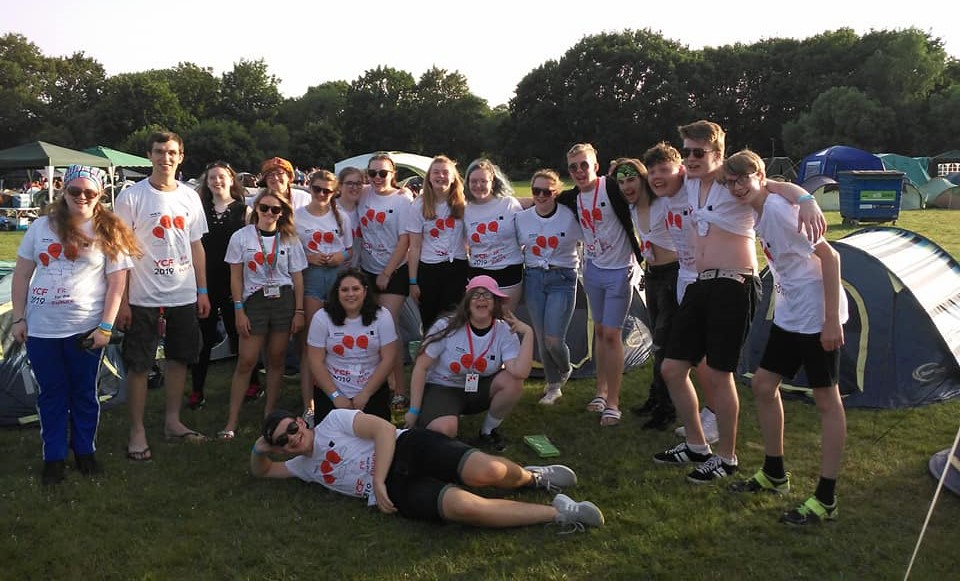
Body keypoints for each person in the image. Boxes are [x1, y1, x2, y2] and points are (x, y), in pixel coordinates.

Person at [653, 120, 826, 483]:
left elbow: (775, 185)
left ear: (718, 154)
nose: (689, 158)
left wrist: (807, 199)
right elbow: (653, 179)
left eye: (698, 152)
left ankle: (727, 456)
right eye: (686, 151)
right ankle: (698, 446)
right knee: (672, 368)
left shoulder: (731, 183)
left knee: (719, 373)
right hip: (700, 284)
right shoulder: (690, 183)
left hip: (733, 285)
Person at [722, 150, 847, 525]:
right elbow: (772, 185)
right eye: (731, 182)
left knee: (827, 400)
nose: (737, 187)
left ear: (758, 175)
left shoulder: (777, 211)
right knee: (763, 385)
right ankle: (775, 473)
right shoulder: (764, 204)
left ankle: (826, 497)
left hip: (817, 313)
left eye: (743, 178)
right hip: (791, 313)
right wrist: (802, 194)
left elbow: (831, 258)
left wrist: (831, 321)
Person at [251, 408, 604, 531]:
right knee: (465, 509)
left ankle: (532, 477)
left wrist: (376, 479)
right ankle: (558, 514)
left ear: (301, 422)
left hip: (407, 447)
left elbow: (384, 431)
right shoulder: (301, 466)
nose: (291, 440)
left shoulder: (333, 422)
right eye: (282, 441)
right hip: (394, 491)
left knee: (486, 472)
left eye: (291, 430)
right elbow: (263, 472)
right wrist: (259, 448)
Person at [11, 165, 139, 484]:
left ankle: (84, 451)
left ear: (100, 195)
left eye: (90, 192)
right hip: (42, 328)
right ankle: (53, 456)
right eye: (75, 191)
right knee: (51, 393)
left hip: (85, 329)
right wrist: (18, 317)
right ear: (63, 192)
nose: (82, 197)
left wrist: (105, 327)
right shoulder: (41, 227)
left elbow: (116, 283)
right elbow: (22, 274)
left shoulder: (107, 231)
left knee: (83, 393)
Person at [115, 131, 211, 461]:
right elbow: (120, 252)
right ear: (149, 155)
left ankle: (172, 421)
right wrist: (123, 300)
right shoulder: (131, 196)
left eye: (171, 152)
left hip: (183, 293)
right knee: (139, 363)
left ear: (181, 156)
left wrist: (202, 290)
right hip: (142, 295)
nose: (165, 158)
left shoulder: (190, 196)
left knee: (179, 358)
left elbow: (196, 246)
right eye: (159, 152)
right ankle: (137, 430)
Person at [556, 144, 644, 426]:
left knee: (611, 333)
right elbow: (543, 203)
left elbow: (644, 184)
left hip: (620, 270)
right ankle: (601, 391)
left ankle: (614, 402)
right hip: (592, 270)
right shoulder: (572, 198)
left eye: (584, 164)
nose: (580, 171)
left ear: (596, 165)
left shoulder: (612, 187)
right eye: (573, 167)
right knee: (600, 331)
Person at [404, 275, 534, 452]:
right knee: (445, 430)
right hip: (444, 387)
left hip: (478, 388)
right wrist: (413, 411)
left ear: (496, 302)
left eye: (488, 295)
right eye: (476, 295)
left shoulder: (504, 330)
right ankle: (436, 416)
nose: (482, 299)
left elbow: (520, 373)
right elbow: (421, 366)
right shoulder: (446, 326)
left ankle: (488, 431)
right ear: (467, 302)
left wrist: (528, 333)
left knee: (513, 382)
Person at [217, 190, 307, 439]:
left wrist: (299, 311)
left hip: (283, 300)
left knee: (277, 359)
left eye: (275, 209)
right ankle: (231, 421)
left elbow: (298, 278)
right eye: (264, 208)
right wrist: (238, 310)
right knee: (246, 360)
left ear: (282, 213)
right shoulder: (241, 237)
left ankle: (270, 414)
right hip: (254, 301)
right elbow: (235, 277)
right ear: (256, 209)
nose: (269, 213)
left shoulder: (289, 238)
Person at [613, 157, 680, 430]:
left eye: (631, 179)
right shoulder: (630, 208)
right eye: (621, 181)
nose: (627, 185)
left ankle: (667, 408)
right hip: (652, 277)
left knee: (664, 342)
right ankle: (656, 397)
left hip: (673, 275)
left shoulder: (663, 202)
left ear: (642, 179)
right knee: (657, 339)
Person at [515, 169, 582, 405]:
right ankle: (553, 385)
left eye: (547, 191)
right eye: (536, 191)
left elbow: (593, 237)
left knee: (554, 339)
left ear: (556, 193)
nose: (541, 195)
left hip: (563, 278)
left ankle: (565, 368)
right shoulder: (521, 218)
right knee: (542, 337)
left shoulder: (570, 216)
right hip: (533, 278)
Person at [189, 161, 250, 410]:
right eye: (212, 177)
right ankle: (197, 390)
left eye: (222, 177)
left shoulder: (243, 211)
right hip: (205, 279)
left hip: (234, 279)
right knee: (203, 337)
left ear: (231, 180)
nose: (217, 181)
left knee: (240, 333)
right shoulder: (199, 209)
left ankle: (253, 382)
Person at [294, 170, 353, 426]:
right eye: (317, 189)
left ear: (334, 192)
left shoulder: (343, 217)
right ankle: (309, 404)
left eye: (326, 191)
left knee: (338, 336)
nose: (321, 195)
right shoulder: (298, 217)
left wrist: (340, 257)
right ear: (309, 187)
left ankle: (338, 392)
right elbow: (291, 250)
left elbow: (349, 250)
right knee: (312, 343)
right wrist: (308, 258)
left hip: (337, 277)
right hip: (312, 278)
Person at [357, 153, 414, 407]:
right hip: (367, 269)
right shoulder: (364, 193)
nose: (378, 178)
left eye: (383, 173)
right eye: (373, 173)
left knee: (388, 328)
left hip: (395, 270)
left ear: (394, 175)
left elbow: (405, 241)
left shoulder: (402, 200)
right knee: (373, 329)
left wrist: (387, 273)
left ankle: (400, 390)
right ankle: (384, 383)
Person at [306, 268, 397, 422]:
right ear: (337, 292)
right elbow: (315, 361)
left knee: (378, 439)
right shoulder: (322, 317)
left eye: (356, 289)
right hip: (332, 391)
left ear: (365, 291)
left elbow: (389, 358)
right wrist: (335, 396)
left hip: (371, 389)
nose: (350, 294)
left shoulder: (382, 315)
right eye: (344, 290)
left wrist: (366, 394)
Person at [407, 155, 469, 333]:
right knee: (430, 321)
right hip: (429, 269)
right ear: (428, 177)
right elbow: (415, 247)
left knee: (455, 319)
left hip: (456, 267)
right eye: (436, 172)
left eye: (445, 172)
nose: (440, 176)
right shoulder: (419, 205)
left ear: (453, 177)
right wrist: (413, 282)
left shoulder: (462, 204)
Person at [463, 159, 524, 311]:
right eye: (474, 181)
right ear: (467, 183)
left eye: (483, 181)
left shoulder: (509, 204)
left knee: (506, 321)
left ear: (493, 182)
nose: (478, 186)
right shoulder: (465, 210)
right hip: (478, 272)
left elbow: (524, 236)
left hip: (509, 272)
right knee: (482, 320)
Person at [335, 166, 364, 270]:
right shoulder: (330, 210)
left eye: (358, 183)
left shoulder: (363, 209)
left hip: (356, 272)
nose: (355, 187)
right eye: (350, 183)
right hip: (333, 272)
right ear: (339, 186)